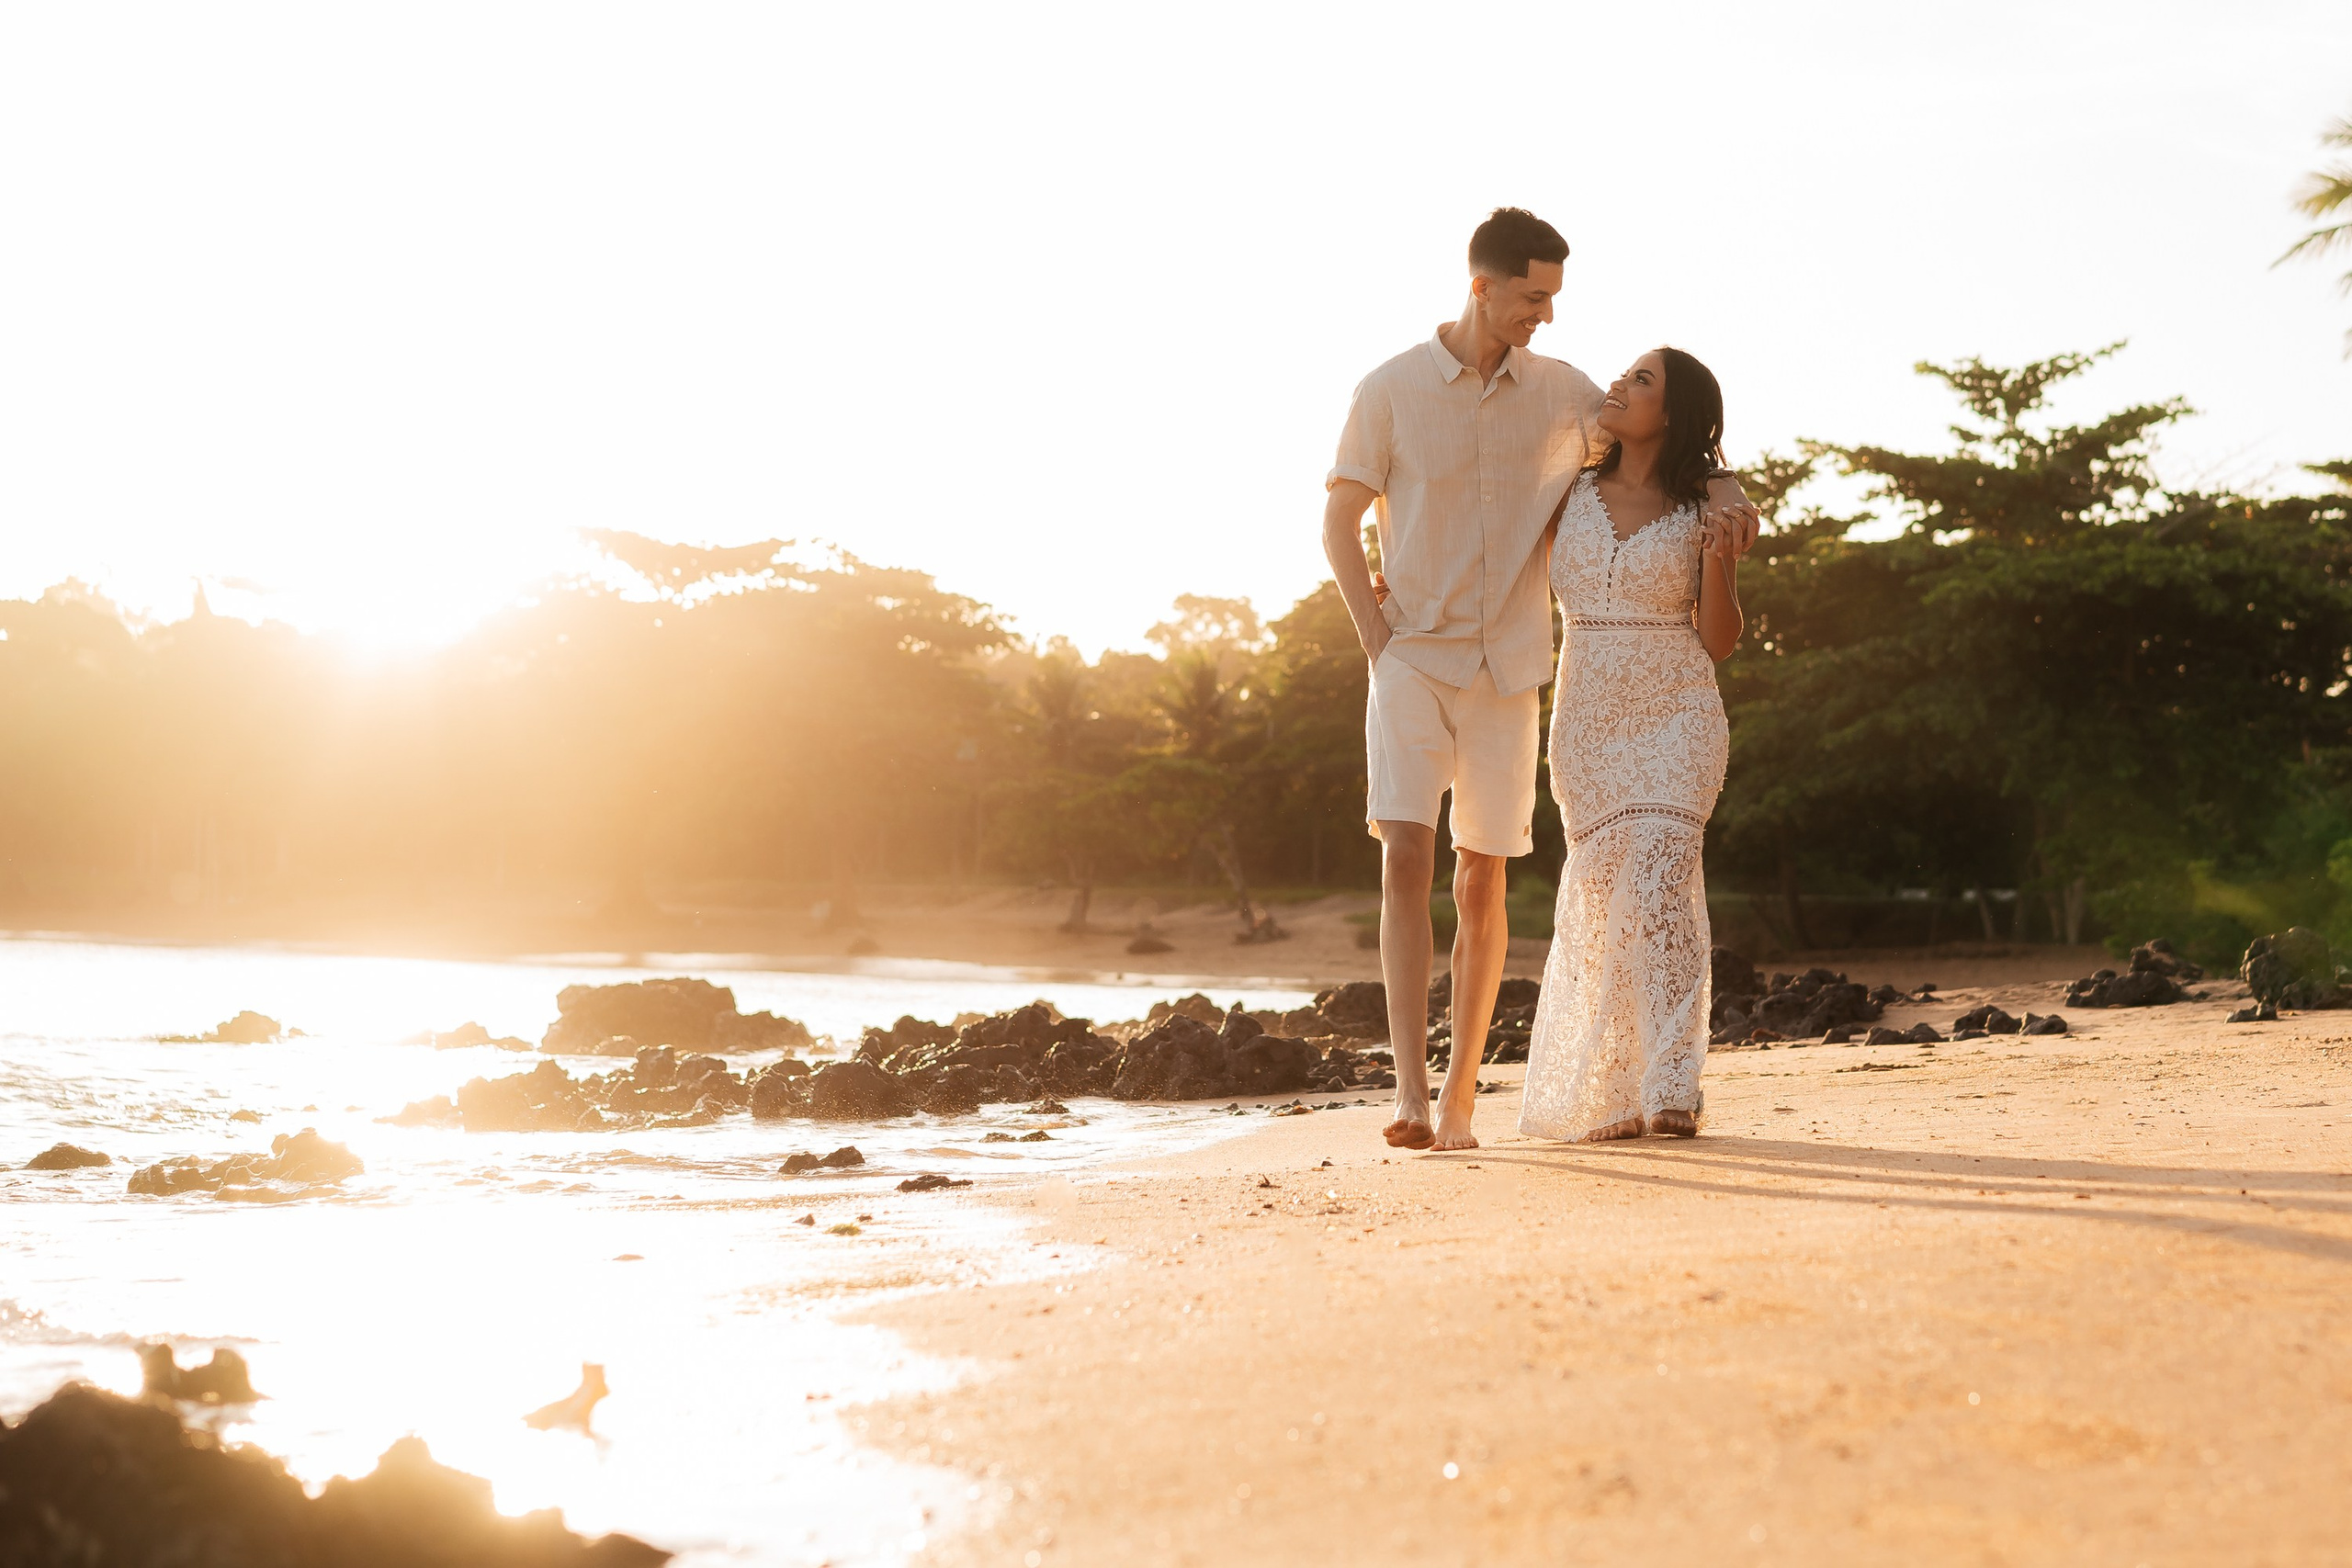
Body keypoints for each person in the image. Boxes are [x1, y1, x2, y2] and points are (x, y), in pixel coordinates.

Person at [1322, 209, 1757, 1153]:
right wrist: (1375, 632)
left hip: (1541, 677)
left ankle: (1520, 1094)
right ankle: (1424, 1092)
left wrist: (1731, 498)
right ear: (1482, 286)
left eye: (1553, 298)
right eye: (1534, 296)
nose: (1547, 316)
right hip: (1438, 664)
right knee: (1422, 859)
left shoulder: (1565, 394)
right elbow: (1345, 520)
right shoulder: (1396, 392)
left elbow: (1687, 445)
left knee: (1523, 875)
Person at [1517, 346, 1742, 1144]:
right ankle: (1613, 1087)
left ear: (1673, 413)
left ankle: (1673, 1080)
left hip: (1679, 713)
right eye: (1625, 374)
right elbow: (1490, 547)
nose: (1618, 384)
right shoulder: (1566, 489)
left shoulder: (1703, 506)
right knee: (1605, 899)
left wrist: (1720, 556)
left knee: (1660, 882)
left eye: (1641, 380)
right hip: (1587, 723)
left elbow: (1719, 639)